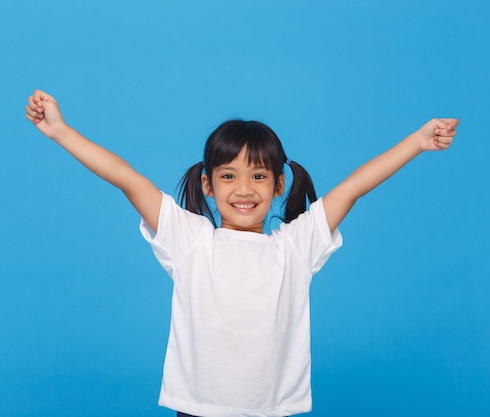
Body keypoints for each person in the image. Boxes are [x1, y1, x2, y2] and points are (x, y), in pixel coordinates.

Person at [25, 89, 457, 417]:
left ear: (278, 185)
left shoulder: (295, 244)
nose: (244, 189)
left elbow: (355, 187)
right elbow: (128, 179)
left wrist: (417, 142)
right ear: (209, 185)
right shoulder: (190, 239)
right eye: (229, 176)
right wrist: (60, 131)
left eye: (258, 175)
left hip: (272, 410)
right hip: (196, 408)